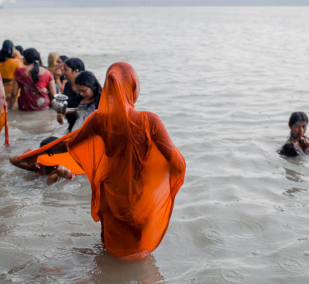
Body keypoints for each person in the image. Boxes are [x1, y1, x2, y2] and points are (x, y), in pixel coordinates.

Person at [10, 62, 186, 260]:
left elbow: (69, 144)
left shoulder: (99, 120)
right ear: (134, 88)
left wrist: (36, 154)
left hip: (110, 195)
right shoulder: (148, 121)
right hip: (137, 195)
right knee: (138, 253)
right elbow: (176, 161)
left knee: (109, 247)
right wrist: (164, 185)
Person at [11, 136, 77, 184]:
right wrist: (34, 154)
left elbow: (60, 173)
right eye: (41, 153)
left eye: (45, 153)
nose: (42, 156)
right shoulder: (41, 166)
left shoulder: (65, 169)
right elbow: (13, 160)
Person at [58, 58, 85, 131]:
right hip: (72, 126)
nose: (63, 72)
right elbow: (63, 101)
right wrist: (59, 112)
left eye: (66, 70)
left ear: (76, 71)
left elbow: (88, 110)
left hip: (83, 128)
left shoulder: (85, 89)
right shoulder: (67, 85)